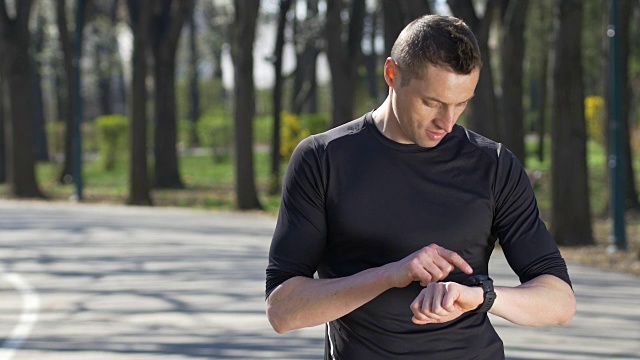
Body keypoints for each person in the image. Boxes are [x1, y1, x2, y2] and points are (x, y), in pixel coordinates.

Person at [265, 14, 576, 359]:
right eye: (432, 103)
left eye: (461, 104)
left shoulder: (493, 165)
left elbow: (559, 302)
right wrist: (390, 274)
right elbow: (283, 311)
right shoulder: (322, 159)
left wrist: (481, 296)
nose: (447, 122)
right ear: (392, 75)